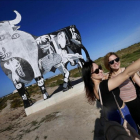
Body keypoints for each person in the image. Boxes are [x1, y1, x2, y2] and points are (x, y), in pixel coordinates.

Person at [82, 58, 140, 133]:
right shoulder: (103, 86)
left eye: (100, 67)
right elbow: (126, 73)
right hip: (122, 114)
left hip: (112, 116)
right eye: (96, 71)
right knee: (134, 133)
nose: (101, 71)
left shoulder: (94, 88)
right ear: (90, 76)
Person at [104, 52, 140, 132]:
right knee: (134, 131)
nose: (115, 62)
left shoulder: (128, 70)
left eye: (116, 59)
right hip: (125, 109)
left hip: (137, 103)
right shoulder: (109, 78)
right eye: (111, 62)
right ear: (108, 65)